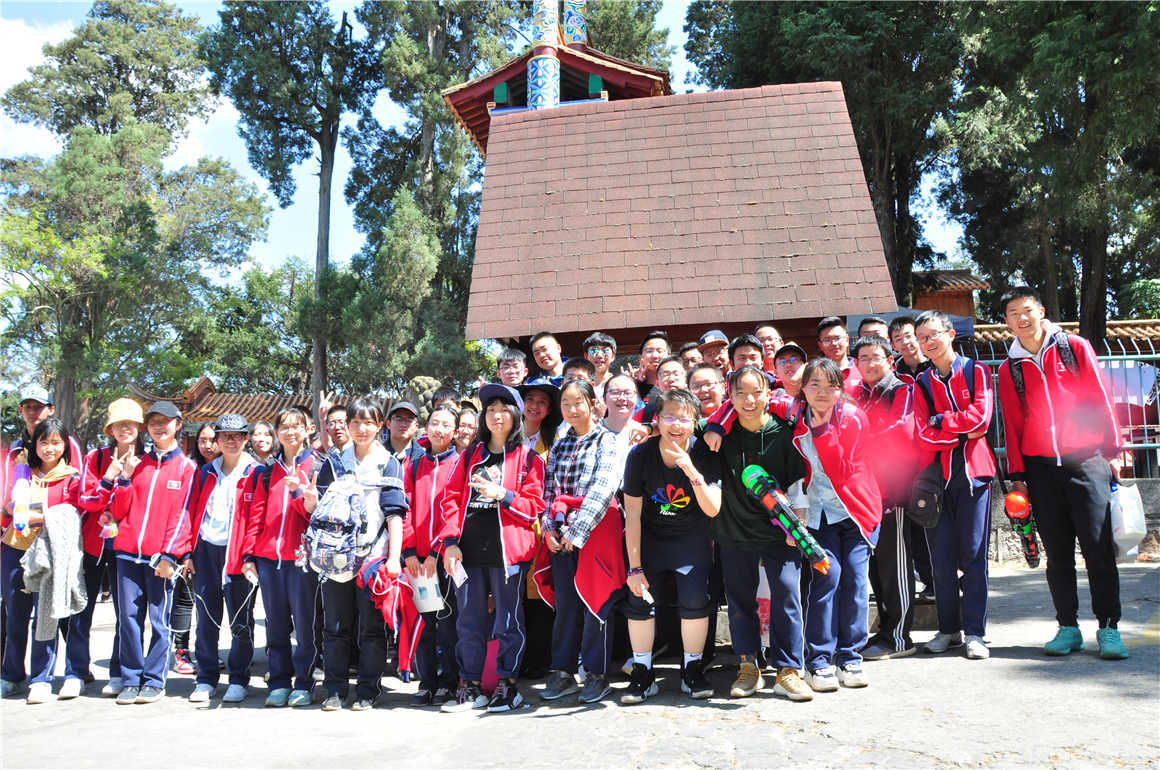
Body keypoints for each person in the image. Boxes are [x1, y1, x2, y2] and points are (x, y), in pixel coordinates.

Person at [996, 287, 1126, 659]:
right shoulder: (1009, 368)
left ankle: (1109, 628)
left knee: (1098, 549)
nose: (1022, 318)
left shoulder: (1074, 348)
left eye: (1027, 310)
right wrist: (1018, 475)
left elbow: (1100, 397)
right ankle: (1068, 627)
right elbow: (1013, 424)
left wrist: (1114, 451)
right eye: (1013, 313)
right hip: (1041, 470)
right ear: (1007, 322)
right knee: (1057, 554)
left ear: (1041, 311)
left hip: (1087, 461)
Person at [433, 384, 545, 713]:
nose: (497, 415)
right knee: (469, 621)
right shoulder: (470, 456)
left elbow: (535, 506)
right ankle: (470, 687)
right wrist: (450, 542)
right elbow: (450, 499)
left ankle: (508, 686)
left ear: (515, 416)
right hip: (467, 552)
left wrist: (502, 495)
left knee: (509, 621)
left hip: (507, 553)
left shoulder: (528, 458)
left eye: (504, 409)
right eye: (491, 409)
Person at [706, 366, 811, 701]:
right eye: (741, 393)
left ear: (769, 393)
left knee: (787, 596)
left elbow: (798, 485)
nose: (749, 400)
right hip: (734, 530)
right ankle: (748, 666)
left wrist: (798, 526)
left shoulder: (783, 433)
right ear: (730, 397)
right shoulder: (720, 434)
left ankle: (789, 670)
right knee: (740, 601)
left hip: (780, 531)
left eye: (756, 393)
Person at [784, 359, 881, 692]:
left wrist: (824, 431)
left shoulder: (852, 417)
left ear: (841, 389)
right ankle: (819, 661)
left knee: (855, 581)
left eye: (831, 386)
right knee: (828, 578)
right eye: (814, 384)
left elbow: (843, 468)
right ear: (803, 388)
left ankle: (850, 657)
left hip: (855, 513)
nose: (822, 393)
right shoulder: (792, 415)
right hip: (817, 514)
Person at [621, 389, 722, 704]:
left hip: (691, 539)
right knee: (639, 599)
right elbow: (632, 515)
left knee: (695, 601)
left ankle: (692, 670)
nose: (676, 424)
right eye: (669, 416)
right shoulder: (640, 455)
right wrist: (634, 568)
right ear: (657, 419)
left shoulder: (705, 453)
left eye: (684, 418)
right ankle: (642, 672)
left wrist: (690, 470)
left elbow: (713, 509)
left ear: (695, 422)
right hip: (650, 538)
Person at [309, 398, 407, 712]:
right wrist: (310, 501)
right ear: (347, 425)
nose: (361, 429)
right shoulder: (335, 462)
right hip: (336, 558)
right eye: (356, 422)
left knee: (372, 628)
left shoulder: (388, 462)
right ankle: (335, 689)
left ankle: (368, 689)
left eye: (369, 422)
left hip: (373, 557)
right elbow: (318, 509)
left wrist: (394, 558)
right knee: (335, 626)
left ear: (380, 426)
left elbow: (395, 514)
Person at [912, 310, 995, 660]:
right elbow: (921, 433)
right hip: (935, 483)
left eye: (933, 334)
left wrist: (942, 421)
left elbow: (982, 421)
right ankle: (948, 629)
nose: (928, 342)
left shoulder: (977, 371)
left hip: (974, 476)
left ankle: (975, 632)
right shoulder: (921, 383)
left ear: (949, 334)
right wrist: (957, 434)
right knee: (940, 560)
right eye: (922, 338)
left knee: (974, 557)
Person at [107, 401, 199, 705]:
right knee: (129, 619)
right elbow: (118, 510)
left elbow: (183, 515)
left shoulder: (187, 468)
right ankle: (130, 678)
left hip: (161, 559)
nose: (160, 427)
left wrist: (170, 556)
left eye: (166, 421)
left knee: (160, 621)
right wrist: (124, 479)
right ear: (147, 427)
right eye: (154, 422)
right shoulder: (138, 464)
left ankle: (154, 680)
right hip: (127, 554)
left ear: (178, 425)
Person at [539, 379, 624, 704]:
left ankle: (596, 673)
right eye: (566, 403)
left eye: (578, 402)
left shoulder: (607, 440)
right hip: (562, 532)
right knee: (566, 606)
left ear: (592, 403)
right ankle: (562, 671)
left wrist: (576, 532)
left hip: (595, 531)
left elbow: (604, 487)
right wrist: (549, 528)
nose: (572, 409)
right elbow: (549, 491)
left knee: (595, 603)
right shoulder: (560, 445)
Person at [241, 406, 321, 708]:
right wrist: (249, 553)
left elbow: (318, 517)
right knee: (275, 625)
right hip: (268, 560)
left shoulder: (318, 465)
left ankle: (304, 682)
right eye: (284, 426)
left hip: (302, 559)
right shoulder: (266, 472)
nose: (290, 431)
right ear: (277, 432)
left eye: (296, 425)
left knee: (305, 626)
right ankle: (278, 682)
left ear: (308, 430)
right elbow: (256, 515)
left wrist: (299, 493)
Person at [1, 418, 83, 704]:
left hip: (50, 553)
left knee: (46, 616)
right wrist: (13, 506)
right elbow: (10, 507)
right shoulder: (23, 473)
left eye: (56, 442)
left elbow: (74, 514)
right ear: (34, 445)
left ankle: (41, 678)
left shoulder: (71, 478)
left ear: (65, 446)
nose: (49, 448)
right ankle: (11, 675)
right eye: (44, 442)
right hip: (16, 548)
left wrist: (41, 516)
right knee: (14, 615)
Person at [852, 337, 921, 661]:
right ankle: (885, 630)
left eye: (875, 357)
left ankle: (899, 636)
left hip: (893, 491)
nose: (869, 363)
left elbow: (902, 431)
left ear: (890, 360)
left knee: (895, 565)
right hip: (866, 496)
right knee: (876, 568)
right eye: (863, 358)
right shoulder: (858, 395)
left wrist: (860, 440)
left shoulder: (901, 390)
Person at [184, 414, 260, 704]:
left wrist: (250, 554)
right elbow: (191, 512)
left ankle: (239, 679)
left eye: (236, 435)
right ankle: (205, 678)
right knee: (206, 618)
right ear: (216, 440)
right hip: (206, 551)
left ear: (245, 439)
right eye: (224, 436)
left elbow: (257, 518)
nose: (230, 441)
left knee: (241, 620)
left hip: (238, 553)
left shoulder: (256, 472)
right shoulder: (205, 472)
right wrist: (187, 551)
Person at [76, 398, 143, 698]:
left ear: (139, 427)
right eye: (119, 424)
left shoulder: (146, 461)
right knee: (81, 610)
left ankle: (118, 672)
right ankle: (77, 670)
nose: (125, 429)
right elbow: (87, 501)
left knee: (125, 614)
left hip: (127, 546)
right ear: (110, 429)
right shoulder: (96, 457)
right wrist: (108, 478)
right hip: (93, 543)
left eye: (130, 423)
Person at [402, 405, 461, 706]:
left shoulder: (460, 464)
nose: (439, 429)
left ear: (455, 431)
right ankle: (426, 681)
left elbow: (455, 512)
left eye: (446, 425)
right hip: (418, 561)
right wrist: (409, 551)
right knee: (424, 624)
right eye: (435, 423)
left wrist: (437, 553)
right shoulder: (414, 466)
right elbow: (405, 510)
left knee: (448, 625)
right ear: (426, 427)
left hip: (445, 559)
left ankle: (448, 683)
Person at [171, 422, 221, 677]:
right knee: (185, 598)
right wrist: (185, 550)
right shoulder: (191, 470)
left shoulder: (226, 471)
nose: (207, 445)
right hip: (190, 545)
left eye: (212, 440)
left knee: (209, 601)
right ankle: (181, 651)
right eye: (202, 440)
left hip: (216, 546)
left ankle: (208, 651)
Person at [817, 316, 862, 394]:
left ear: (847, 340)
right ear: (820, 345)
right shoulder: (815, 373)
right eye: (827, 340)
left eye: (837, 338)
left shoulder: (862, 367)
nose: (834, 343)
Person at [518, 382, 562, 458]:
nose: (534, 406)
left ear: (549, 410)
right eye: (530, 399)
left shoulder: (555, 440)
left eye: (542, 402)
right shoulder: (507, 434)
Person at [888, 315, 932, 386]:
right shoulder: (893, 377)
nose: (905, 342)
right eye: (898, 339)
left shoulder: (935, 368)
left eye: (908, 336)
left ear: (919, 337)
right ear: (894, 346)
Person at [636, 331, 672, 398]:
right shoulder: (632, 386)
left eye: (660, 351)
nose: (654, 356)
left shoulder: (675, 384)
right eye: (649, 351)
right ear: (640, 357)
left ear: (669, 356)